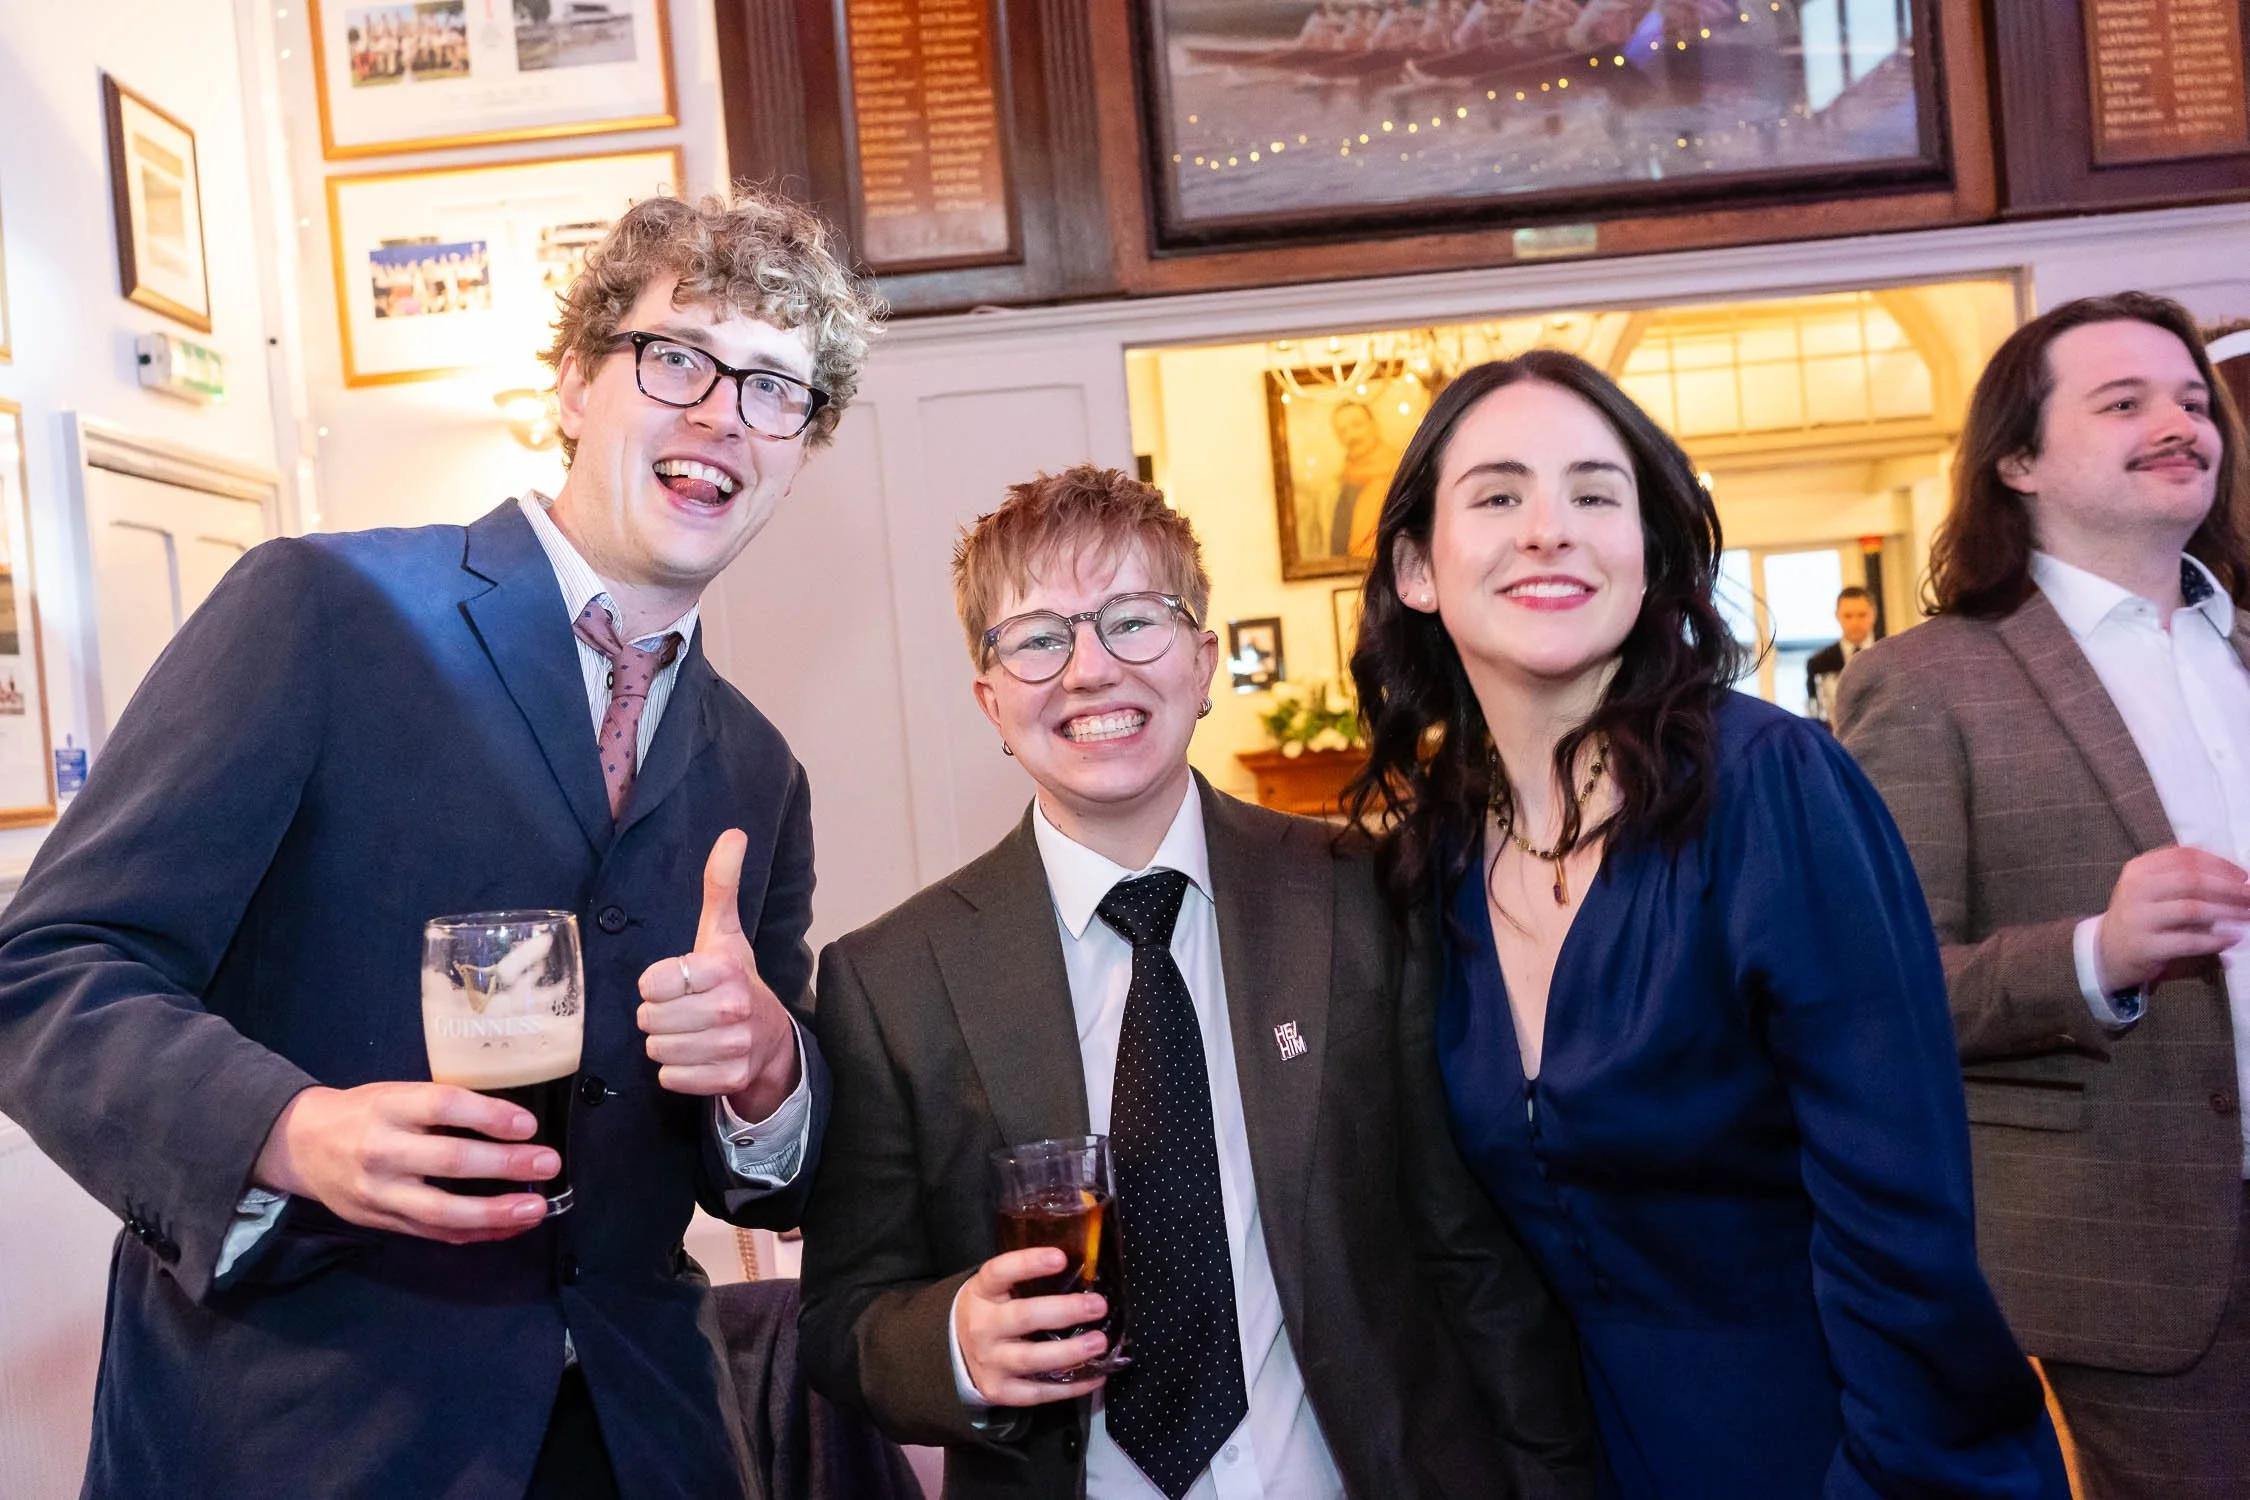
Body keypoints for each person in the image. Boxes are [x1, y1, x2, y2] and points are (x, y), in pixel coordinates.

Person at [0, 188, 882, 1498]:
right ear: (578, 381)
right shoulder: (324, 609)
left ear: (799, 451)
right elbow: (51, 968)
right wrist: (290, 1130)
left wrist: (767, 1074)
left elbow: (761, 1186)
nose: (720, 416)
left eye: (774, 390)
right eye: (679, 358)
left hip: (640, 1445)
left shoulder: (758, 768)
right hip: (308, 1433)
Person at [1345, 350, 2070, 1496]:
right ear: (1417, 569)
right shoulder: (1429, 868)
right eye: (1497, 495)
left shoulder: (1776, 788)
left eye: (1595, 494)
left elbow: (1904, 1229)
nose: (1550, 529)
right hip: (1595, 1459)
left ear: (1650, 557)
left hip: (1847, 1448)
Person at [799, 464, 1593, 1499]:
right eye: (1039, 637)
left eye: (1135, 620)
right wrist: (954, 1341)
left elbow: (1469, 1253)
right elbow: (843, 1316)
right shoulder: (892, 980)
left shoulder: (1365, 899)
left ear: (1204, 659)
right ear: (990, 698)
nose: (1090, 669)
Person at [1837, 291, 2250, 1500]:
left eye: (2190, 400)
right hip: (2146, 1246)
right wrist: (2096, 954)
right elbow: (1884, 989)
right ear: (2017, 458)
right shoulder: (1926, 685)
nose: (2177, 423)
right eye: (2123, 402)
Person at [1326, 399, 1402, 560]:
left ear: (1373, 425)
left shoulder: (1401, 473)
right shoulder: (1339, 484)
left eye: (1357, 425)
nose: (1351, 436)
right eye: (1342, 431)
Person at [1803, 583, 1877, 723]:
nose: (1855, 622)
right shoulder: (1818, 663)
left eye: (1862, 615)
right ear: (1837, 616)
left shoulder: (1889, 655)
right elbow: (1815, 711)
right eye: (1848, 616)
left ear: (1873, 614)